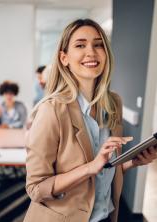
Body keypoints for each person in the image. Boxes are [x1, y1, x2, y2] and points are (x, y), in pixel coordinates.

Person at [24, 19, 157, 222]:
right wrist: (89, 167)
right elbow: (36, 189)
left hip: (104, 215)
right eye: (80, 45)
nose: (91, 52)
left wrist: (131, 162)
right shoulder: (51, 110)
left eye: (98, 44)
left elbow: (104, 169)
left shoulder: (113, 103)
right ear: (64, 58)